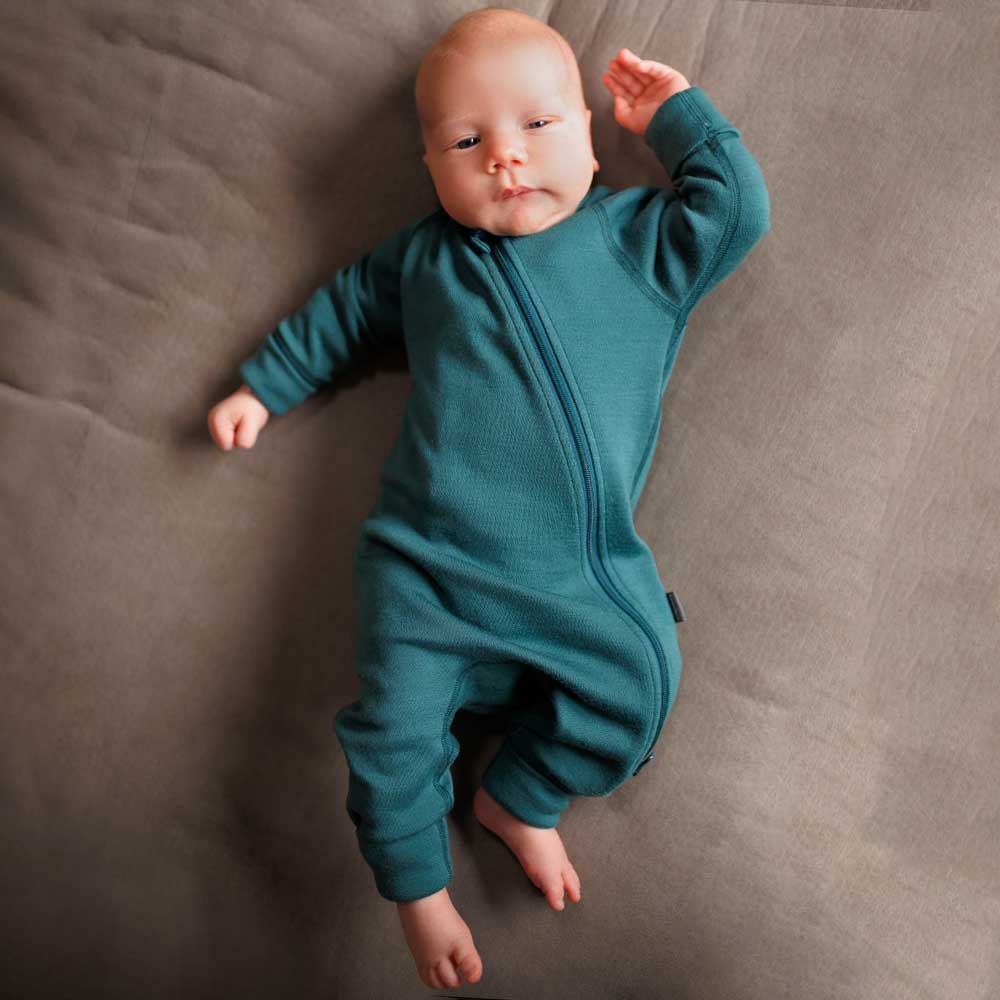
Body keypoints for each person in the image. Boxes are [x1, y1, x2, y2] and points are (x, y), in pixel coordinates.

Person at [206, 7, 770, 991]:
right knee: (390, 737)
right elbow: (340, 311)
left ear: (592, 138)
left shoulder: (637, 246)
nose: (504, 158)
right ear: (430, 165)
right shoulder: (420, 261)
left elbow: (733, 211)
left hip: (577, 574)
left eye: (538, 128)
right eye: (467, 142)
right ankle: (417, 892)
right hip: (426, 572)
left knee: (641, 685)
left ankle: (525, 795)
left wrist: (675, 115)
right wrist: (262, 386)